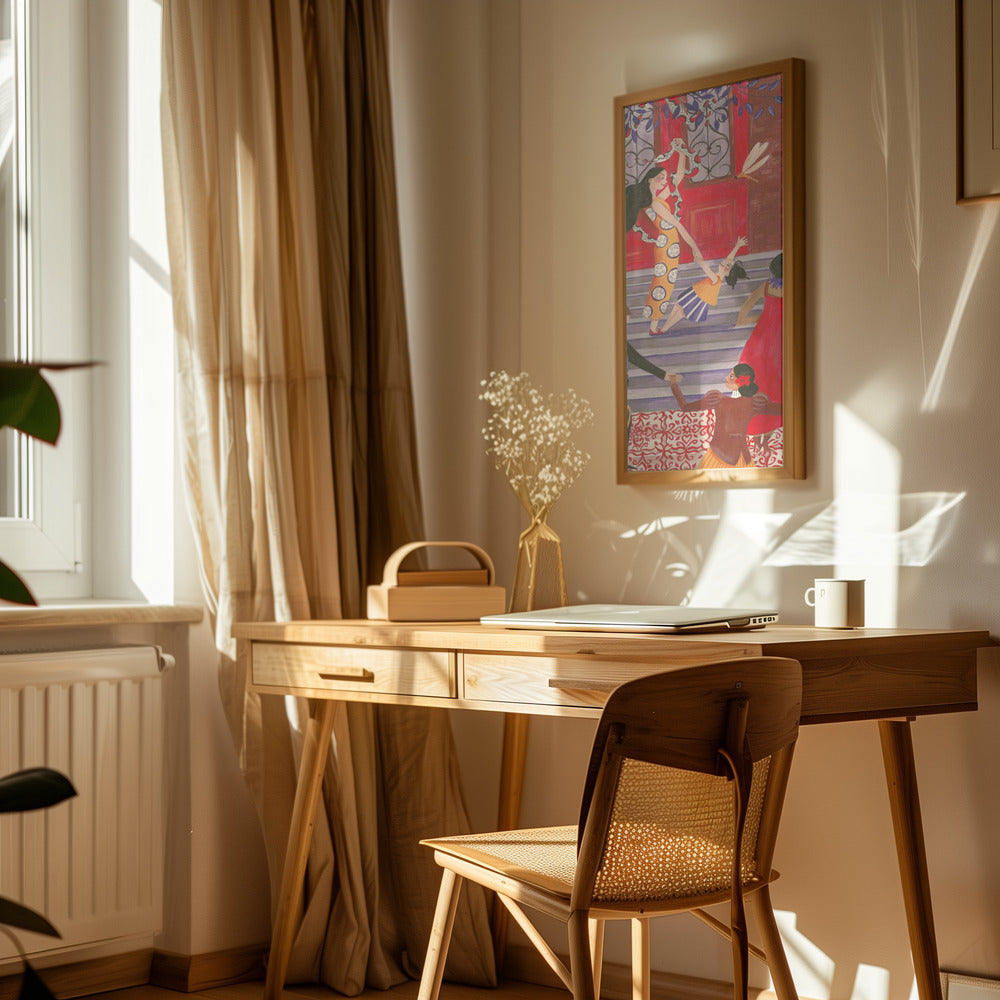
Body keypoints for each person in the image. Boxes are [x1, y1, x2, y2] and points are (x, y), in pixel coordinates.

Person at [624, 142, 709, 334]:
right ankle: (653, 326)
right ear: (650, 180)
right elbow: (677, 224)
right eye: (661, 178)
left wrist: (680, 153)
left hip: (671, 245)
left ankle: (654, 326)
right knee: (663, 283)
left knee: (665, 283)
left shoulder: (658, 197)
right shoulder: (654, 204)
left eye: (664, 177)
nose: (664, 181)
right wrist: (695, 248)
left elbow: (678, 177)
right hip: (666, 245)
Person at [663, 362, 781, 468]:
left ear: (741, 381)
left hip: (733, 457)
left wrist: (673, 383)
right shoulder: (751, 403)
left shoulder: (723, 400)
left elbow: (685, 407)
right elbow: (784, 410)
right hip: (726, 457)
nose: (726, 377)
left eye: (731, 376)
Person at [653, 236, 749, 335]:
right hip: (695, 292)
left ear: (728, 273)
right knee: (678, 307)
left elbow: (706, 268)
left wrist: (700, 260)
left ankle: (664, 329)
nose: (725, 262)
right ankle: (664, 328)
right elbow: (730, 258)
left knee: (681, 311)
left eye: (728, 265)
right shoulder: (719, 275)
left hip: (698, 298)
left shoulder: (716, 279)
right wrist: (737, 246)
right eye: (726, 262)